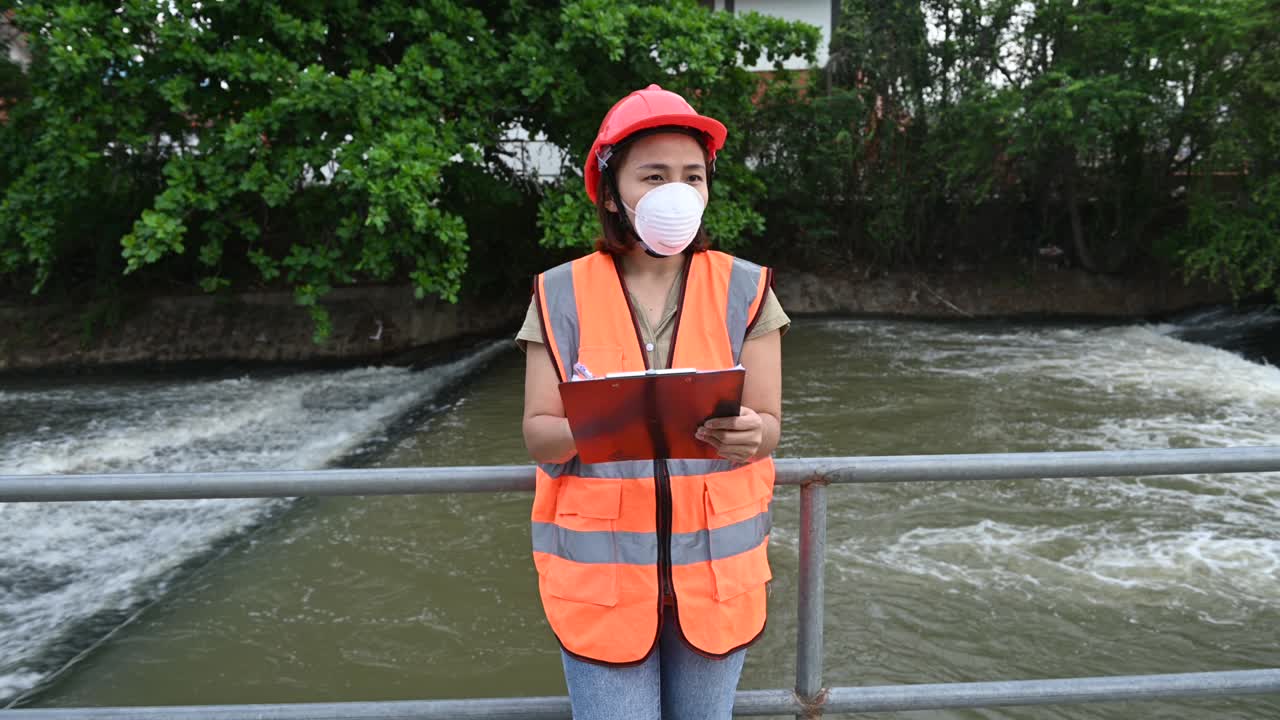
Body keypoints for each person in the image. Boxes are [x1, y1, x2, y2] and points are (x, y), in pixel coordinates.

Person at [516, 84, 789, 720]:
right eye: (655, 174)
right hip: (603, 586)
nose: (678, 191)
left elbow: (769, 426)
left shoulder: (747, 288)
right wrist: (608, 422)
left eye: (694, 175)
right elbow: (537, 432)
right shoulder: (560, 293)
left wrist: (752, 433)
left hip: (716, 581)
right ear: (613, 191)